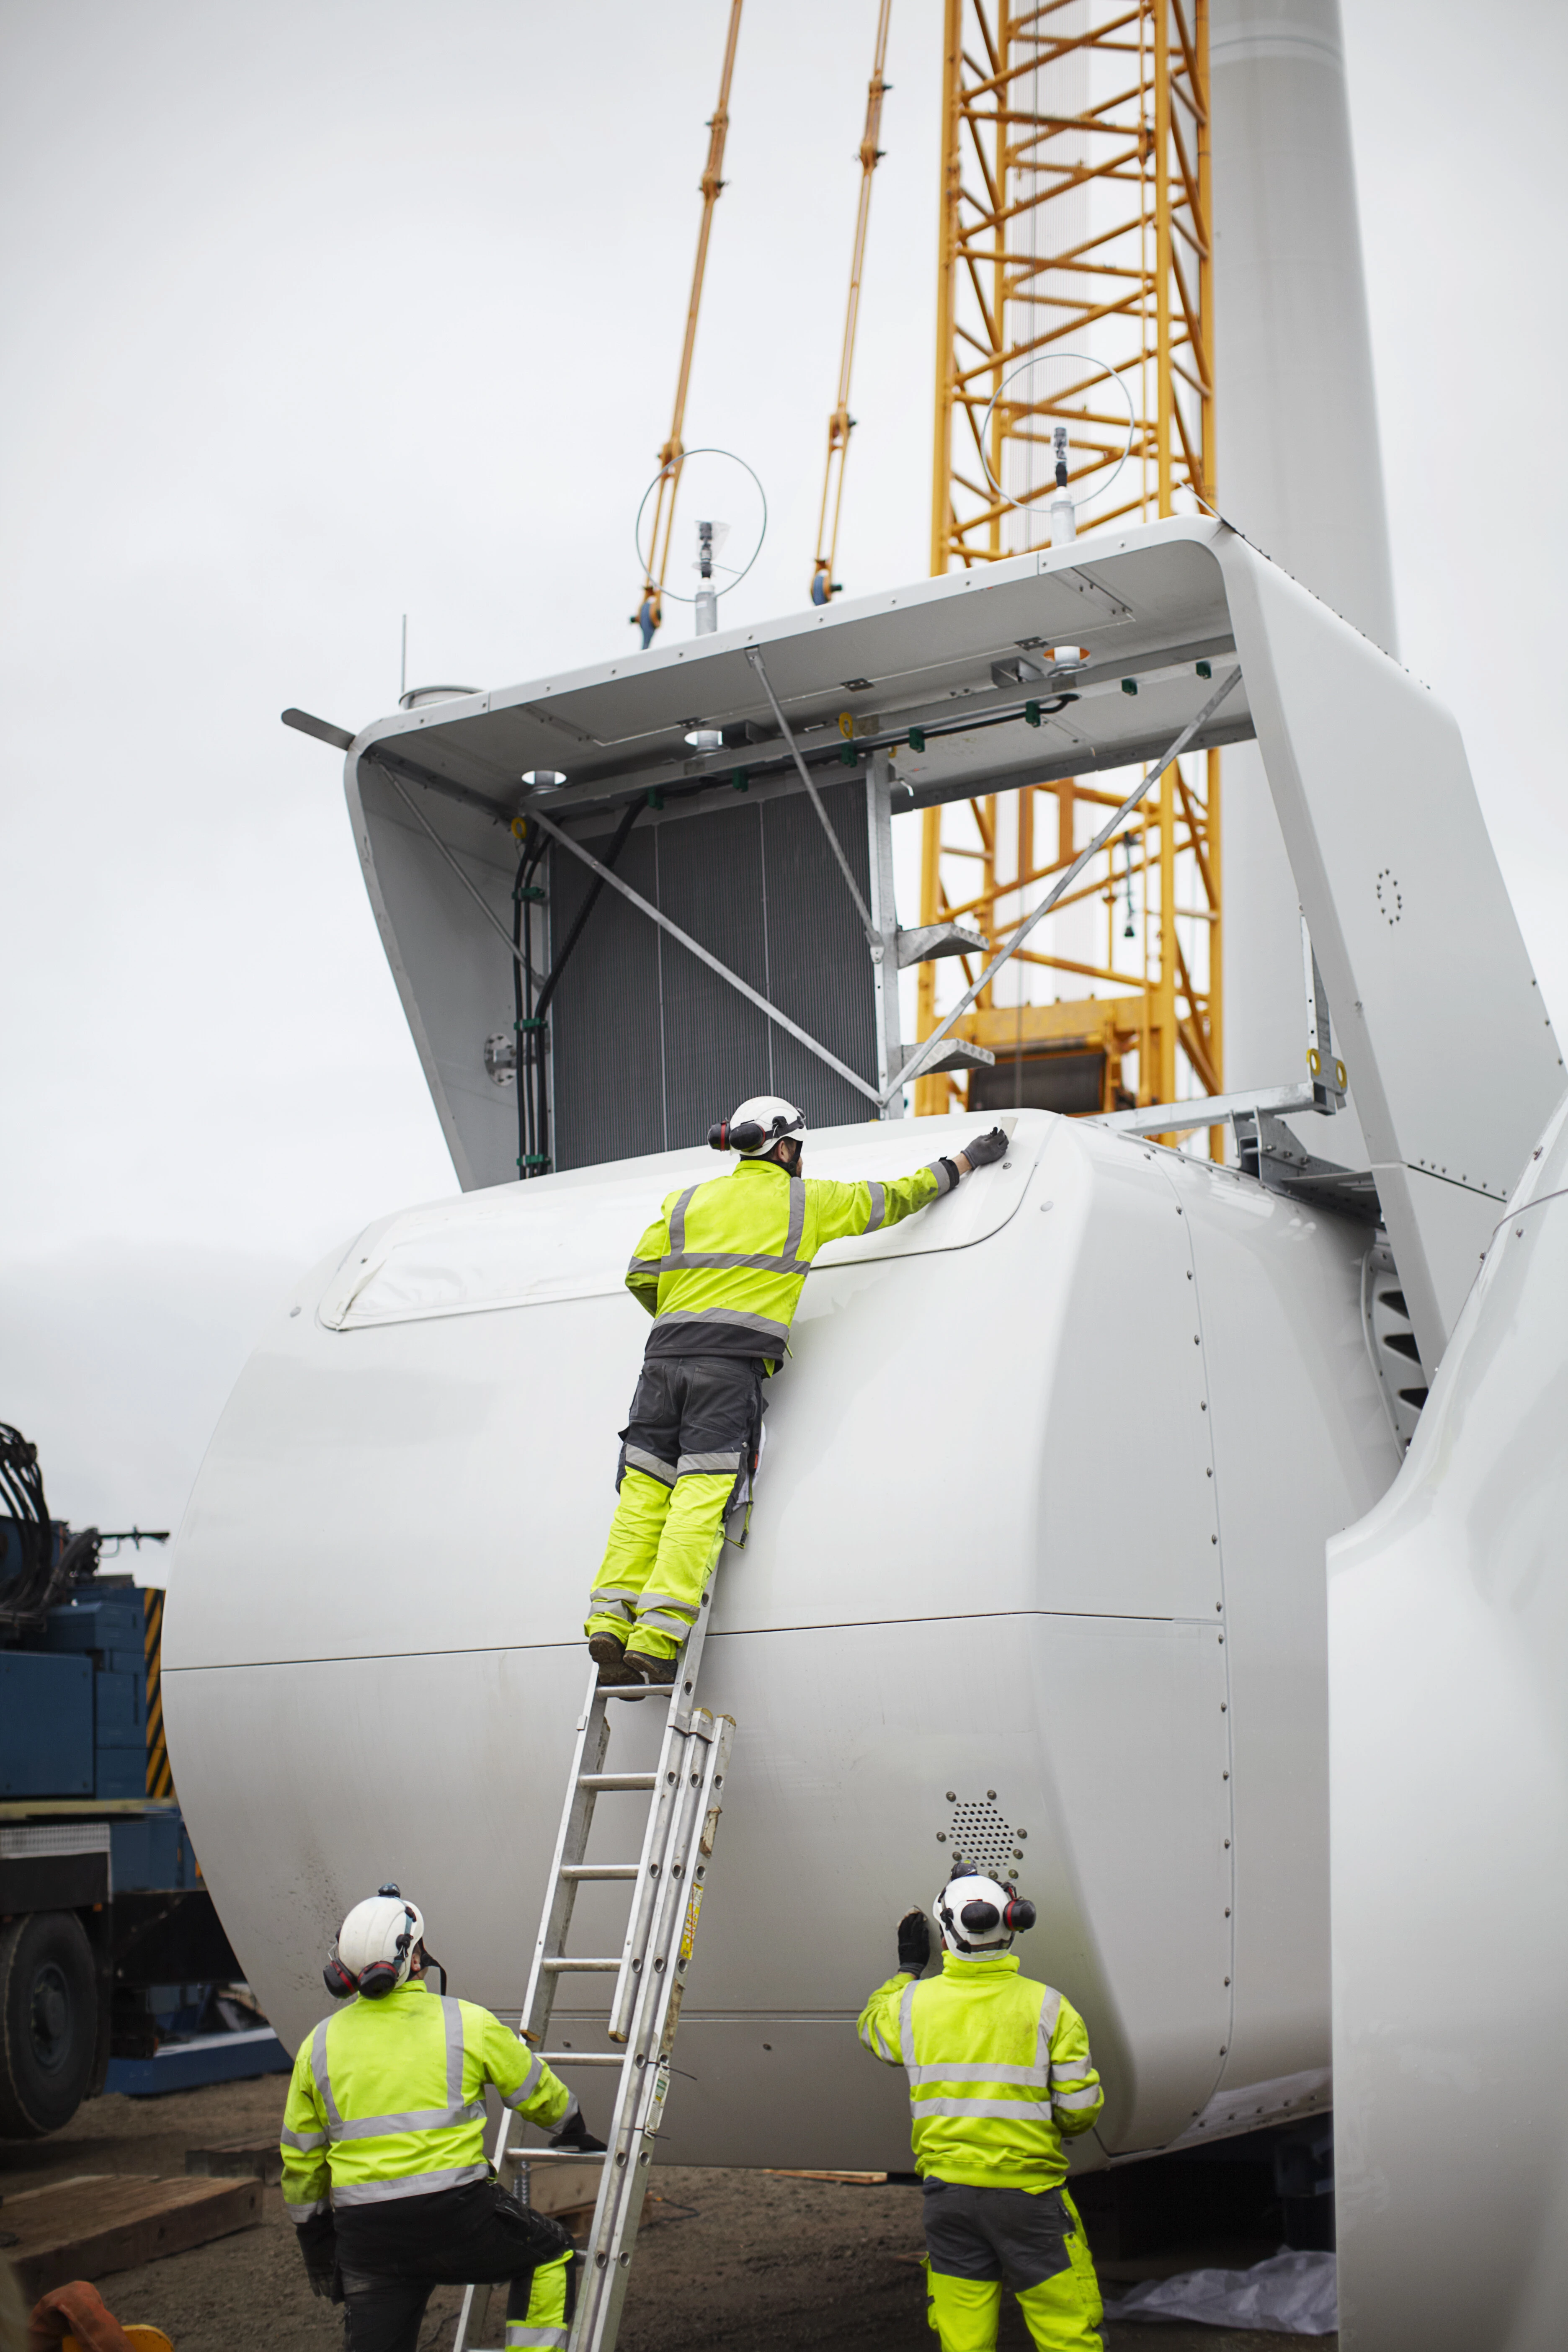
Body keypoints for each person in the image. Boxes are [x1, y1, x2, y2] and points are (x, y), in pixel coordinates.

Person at [585, 1095, 1010, 1684]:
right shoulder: (807, 1204)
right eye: (800, 1150)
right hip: (727, 1372)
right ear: (784, 1147)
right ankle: (655, 1641)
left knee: (642, 1495)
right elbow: (898, 1199)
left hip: (660, 1365)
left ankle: (609, 1623)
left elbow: (640, 1273)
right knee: (698, 1501)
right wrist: (964, 1160)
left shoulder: (685, 1202)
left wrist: (685, 1317)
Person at [280, 1885, 604, 2352]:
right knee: (551, 2253)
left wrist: (315, 2242)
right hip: (458, 2220)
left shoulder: (318, 2046)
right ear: (414, 1961)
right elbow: (535, 2090)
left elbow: (301, 2161)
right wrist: (571, 2126)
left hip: (368, 2241)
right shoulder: (467, 2023)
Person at [857, 1864, 1105, 2352]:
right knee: (1066, 2332)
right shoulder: (1051, 2008)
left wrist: (908, 1970)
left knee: (963, 2338)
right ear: (1012, 1927)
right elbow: (1080, 2112)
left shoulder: (912, 2006)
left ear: (945, 1938)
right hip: (1028, 2199)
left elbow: (872, 2029)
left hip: (948, 2199)